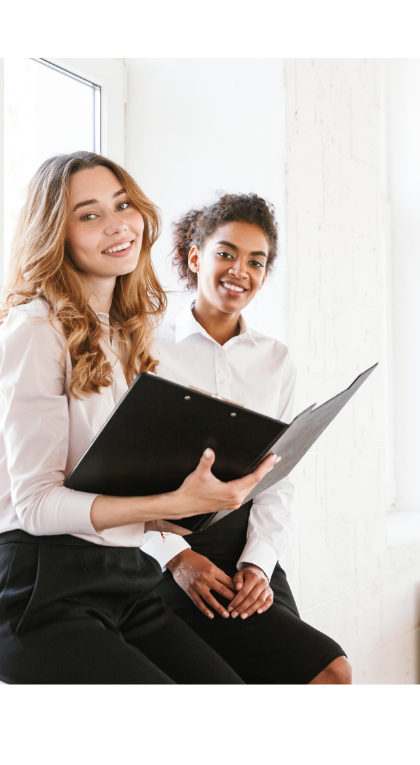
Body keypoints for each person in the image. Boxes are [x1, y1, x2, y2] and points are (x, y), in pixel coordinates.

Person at [0, 153, 278, 684]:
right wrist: (171, 503)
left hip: (127, 581)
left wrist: (184, 504)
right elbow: (37, 506)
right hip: (44, 593)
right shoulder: (35, 329)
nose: (118, 225)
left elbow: (99, 477)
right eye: (88, 215)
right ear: (54, 234)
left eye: (123, 204)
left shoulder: (122, 332)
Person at [143, 193, 352, 684]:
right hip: (165, 551)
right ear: (196, 258)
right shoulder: (145, 346)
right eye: (226, 253)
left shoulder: (275, 360)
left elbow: (278, 478)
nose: (240, 270)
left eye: (256, 262)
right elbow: (118, 475)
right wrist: (174, 556)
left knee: (325, 672)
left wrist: (258, 565)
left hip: (247, 551)